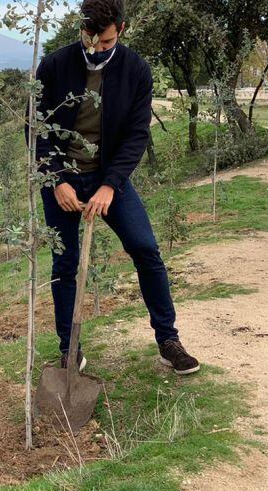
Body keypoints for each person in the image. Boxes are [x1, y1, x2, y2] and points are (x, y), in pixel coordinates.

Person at [35, 0, 200, 375]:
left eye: (106, 43)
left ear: (121, 30)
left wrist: (110, 185)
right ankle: (69, 350)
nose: (96, 50)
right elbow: (37, 127)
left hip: (108, 177)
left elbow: (136, 135)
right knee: (65, 262)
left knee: (146, 249)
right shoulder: (55, 65)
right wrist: (57, 179)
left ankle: (168, 339)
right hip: (60, 178)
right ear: (81, 29)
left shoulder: (136, 71)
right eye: (90, 41)